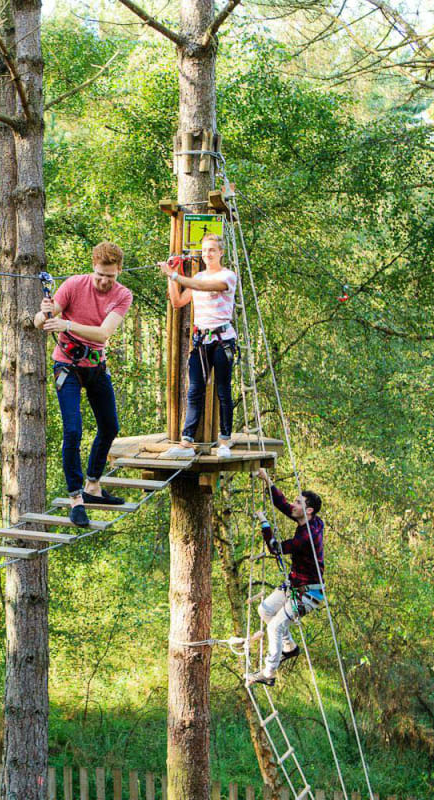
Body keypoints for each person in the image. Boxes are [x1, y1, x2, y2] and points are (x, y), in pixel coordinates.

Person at [34, 242, 133, 527]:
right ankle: (76, 498)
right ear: (93, 267)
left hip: (95, 365)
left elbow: (103, 334)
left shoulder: (122, 295)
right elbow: (42, 321)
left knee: (110, 426)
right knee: (73, 430)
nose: (104, 281)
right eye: (100, 275)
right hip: (67, 365)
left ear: (118, 272)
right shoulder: (74, 285)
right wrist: (45, 314)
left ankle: (93, 486)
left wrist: (67, 325)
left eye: (110, 277)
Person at [157, 233, 239, 459]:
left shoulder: (228, 276)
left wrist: (175, 275)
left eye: (212, 250)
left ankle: (225, 440)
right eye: (204, 251)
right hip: (201, 341)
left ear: (221, 253)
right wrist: (171, 277)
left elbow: (202, 286)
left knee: (223, 390)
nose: (207, 254)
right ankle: (186, 442)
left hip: (222, 341)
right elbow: (177, 302)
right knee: (194, 390)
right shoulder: (199, 276)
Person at [245, 466, 326, 686]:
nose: (294, 504)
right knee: (265, 610)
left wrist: (264, 523)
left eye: (299, 503)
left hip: (308, 593)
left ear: (308, 511)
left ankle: (269, 673)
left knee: (275, 626)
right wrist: (267, 481)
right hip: (296, 584)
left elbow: (276, 548)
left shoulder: (307, 536)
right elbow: (284, 506)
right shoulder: (312, 521)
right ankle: (289, 647)